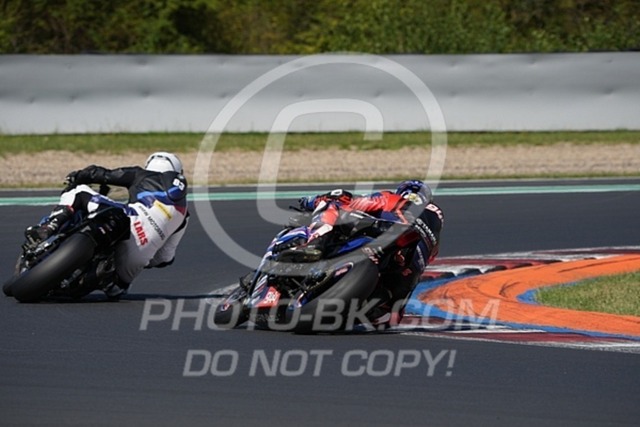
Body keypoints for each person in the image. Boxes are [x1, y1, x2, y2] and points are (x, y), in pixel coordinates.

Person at [24, 152, 189, 299]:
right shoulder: (184, 216)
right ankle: (105, 279)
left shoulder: (142, 175)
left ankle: (48, 227)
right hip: (131, 266)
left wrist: (78, 176)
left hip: (129, 219)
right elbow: (164, 258)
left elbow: (101, 174)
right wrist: (147, 252)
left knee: (80, 192)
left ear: (149, 166)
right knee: (118, 287)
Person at [285, 180, 444, 325]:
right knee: (390, 315)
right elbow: (430, 257)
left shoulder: (393, 199)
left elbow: (354, 202)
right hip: (408, 271)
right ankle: (367, 308)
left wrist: (310, 201)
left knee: (334, 202)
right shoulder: (435, 227)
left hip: (383, 234)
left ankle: (315, 243)